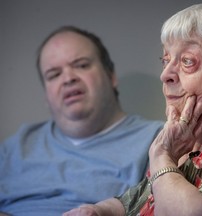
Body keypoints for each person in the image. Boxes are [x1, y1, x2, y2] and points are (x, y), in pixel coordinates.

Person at [63, 2, 202, 216]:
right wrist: (98, 210)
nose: (165, 75)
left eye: (187, 61)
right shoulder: (186, 146)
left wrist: (160, 156)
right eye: (166, 60)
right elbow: (133, 201)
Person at [0, 26, 164, 216]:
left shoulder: (157, 141)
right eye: (54, 74)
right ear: (46, 94)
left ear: (111, 76)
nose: (68, 78)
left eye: (82, 65)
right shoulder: (16, 147)